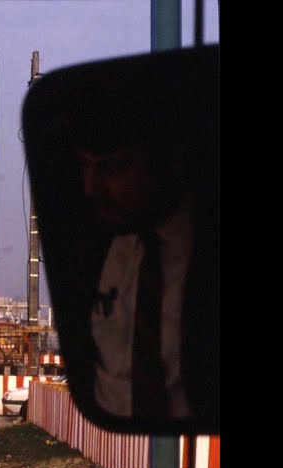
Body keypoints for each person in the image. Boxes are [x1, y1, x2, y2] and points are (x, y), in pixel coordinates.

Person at [76, 117, 217, 425]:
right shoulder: (102, 247)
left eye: (113, 169)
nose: (91, 188)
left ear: (170, 160)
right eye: (84, 167)